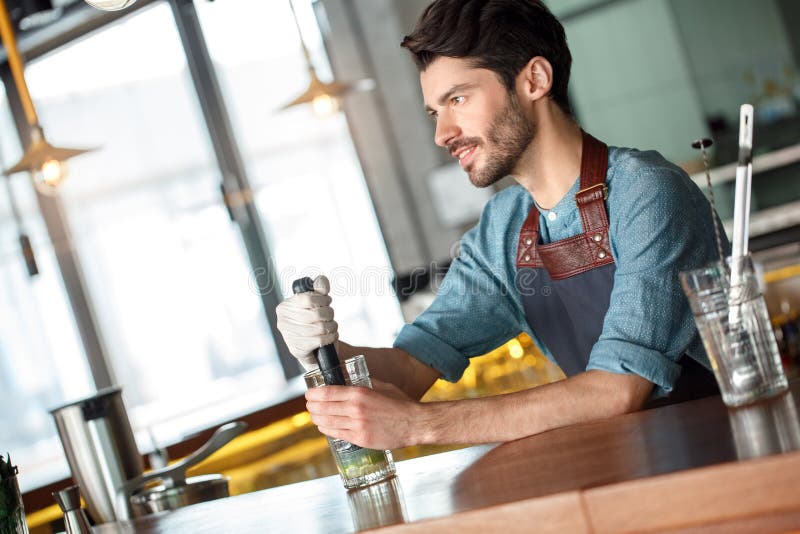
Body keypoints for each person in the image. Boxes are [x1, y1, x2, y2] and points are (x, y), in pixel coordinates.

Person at [276, 0, 723, 450]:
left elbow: (616, 388)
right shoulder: (505, 227)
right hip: (629, 469)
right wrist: (324, 350)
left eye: (458, 99)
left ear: (534, 80)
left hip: (726, 460)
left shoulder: (646, 192)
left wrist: (419, 425)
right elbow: (410, 366)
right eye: (436, 112)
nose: (442, 133)